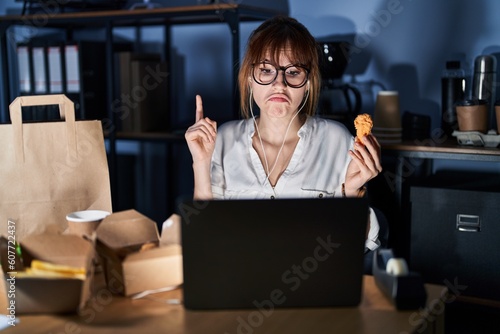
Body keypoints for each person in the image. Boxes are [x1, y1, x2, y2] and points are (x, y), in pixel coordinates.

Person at [185, 15, 382, 253]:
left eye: (293, 72)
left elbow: (355, 248)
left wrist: (352, 194)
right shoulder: (221, 140)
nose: (279, 84)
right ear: (250, 77)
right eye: (266, 70)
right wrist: (201, 163)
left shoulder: (338, 141)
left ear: (308, 81)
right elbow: (206, 238)